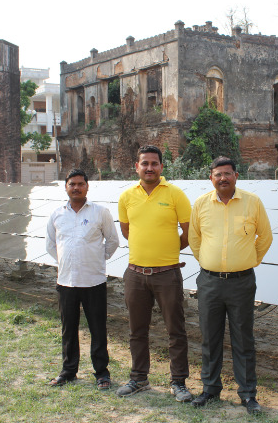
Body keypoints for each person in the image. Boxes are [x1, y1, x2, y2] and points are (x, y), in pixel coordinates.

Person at [188, 156, 273, 414]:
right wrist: (208, 261)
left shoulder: (252, 202)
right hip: (210, 282)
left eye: (227, 173)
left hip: (241, 283)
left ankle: (248, 394)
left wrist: (248, 261)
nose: (222, 178)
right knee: (210, 338)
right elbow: (194, 237)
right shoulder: (201, 204)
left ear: (236, 175)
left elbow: (265, 237)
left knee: (243, 339)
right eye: (217, 174)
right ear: (211, 178)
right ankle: (210, 389)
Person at [115, 145, 193, 402]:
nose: (149, 168)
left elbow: (188, 232)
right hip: (135, 275)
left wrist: (168, 252)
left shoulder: (175, 194)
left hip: (167, 275)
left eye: (154, 163)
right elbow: (127, 232)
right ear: (136, 167)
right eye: (144, 163)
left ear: (162, 166)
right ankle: (138, 378)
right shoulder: (126, 196)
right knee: (137, 330)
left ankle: (179, 382)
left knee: (176, 330)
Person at [46, 168, 120, 389]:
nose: (76, 187)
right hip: (66, 282)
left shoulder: (100, 213)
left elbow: (113, 241)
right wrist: (66, 261)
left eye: (80, 184)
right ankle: (69, 371)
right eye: (72, 184)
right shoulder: (57, 214)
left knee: (98, 328)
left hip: (94, 281)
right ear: (66, 187)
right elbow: (51, 245)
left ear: (88, 187)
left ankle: (102, 373)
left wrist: (97, 259)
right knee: (69, 329)